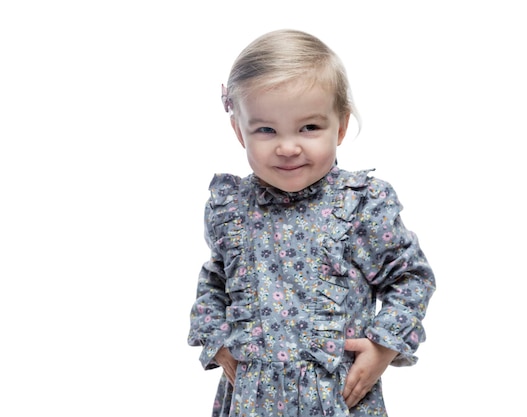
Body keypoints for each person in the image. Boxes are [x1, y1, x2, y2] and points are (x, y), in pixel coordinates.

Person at [187, 29, 436, 417]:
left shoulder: (359, 205)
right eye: (266, 130)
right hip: (252, 399)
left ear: (339, 127)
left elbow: (410, 278)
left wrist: (383, 345)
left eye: (309, 128)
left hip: (335, 395)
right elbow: (216, 278)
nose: (288, 147)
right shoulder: (231, 208)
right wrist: (216, 336)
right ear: (240, 131)